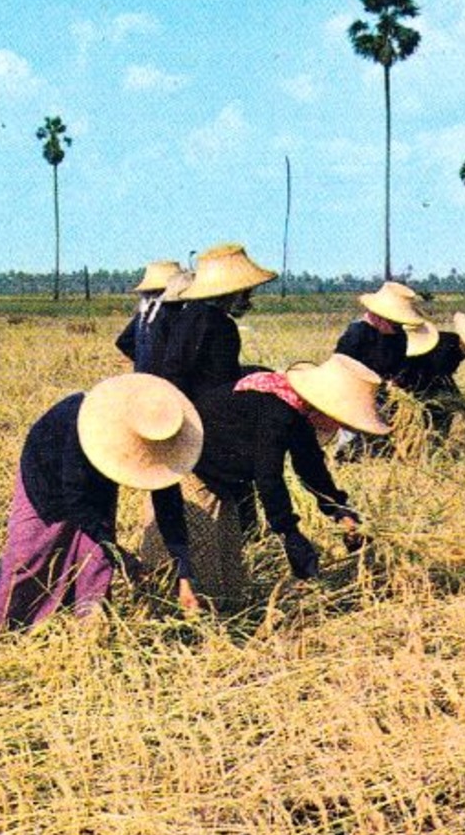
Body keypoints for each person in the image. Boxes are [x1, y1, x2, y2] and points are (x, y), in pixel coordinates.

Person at [142, 353, 389, 609]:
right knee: (202, 583)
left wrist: (341, 512)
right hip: (191, 477)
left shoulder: (295, 410)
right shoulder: (276, 412)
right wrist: (289, 533)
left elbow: (311, 467)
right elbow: (268, 477)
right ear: (324, 406)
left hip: (223, 485)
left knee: (231, 587)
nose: (339, 426)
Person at [0, 373, 204, 629]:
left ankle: (91, 633)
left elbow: (169, 508)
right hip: (47, 474)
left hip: (94, 478)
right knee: (29, 556)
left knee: (97, 561)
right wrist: (122, 556)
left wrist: (184, 576)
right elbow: (76, 499)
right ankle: (0, 631)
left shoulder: (161, 438)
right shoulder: (84, 425)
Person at [151, 243, 276, 401]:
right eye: (246, 293)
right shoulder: (218, 324)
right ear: (233, 292)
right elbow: (184, 372)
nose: (249, 300)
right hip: (207, 407)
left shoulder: (192, 314)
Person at [390, 312, 465, 435]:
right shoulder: (446, 348)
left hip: (415, 378)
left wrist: (460, 401)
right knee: (437, 412)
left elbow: (443, 378)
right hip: (403, 377)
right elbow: (438, 378)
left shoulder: (453, 344)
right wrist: (460, 402)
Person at [333, 281, 438, 381]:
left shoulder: (399, 334)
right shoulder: (357, 334)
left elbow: (399, 365)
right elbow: (341, 367)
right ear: (380, 316)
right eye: (394, 321)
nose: (398, 324)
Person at [115, 260, 183, 372]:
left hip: (142, 377)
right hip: (165, 380)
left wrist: (143, 360)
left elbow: (124, 341)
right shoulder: (172, 309)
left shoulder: (144, 311)